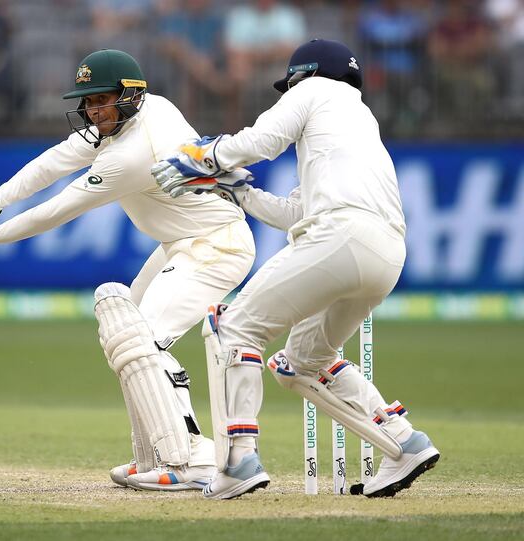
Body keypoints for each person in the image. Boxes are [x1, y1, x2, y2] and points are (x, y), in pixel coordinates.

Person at [0, 49, 256, 491]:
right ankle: (158, 454)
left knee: (145, 342)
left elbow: (57, 210)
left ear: (130, 95)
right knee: (125, 339)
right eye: (87, 102)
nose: (92, 111)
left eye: (102, 100)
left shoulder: (132, 153)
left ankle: (193, 458)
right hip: (184, 243)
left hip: (217, 246)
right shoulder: (137, 114)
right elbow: (57, 159)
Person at [152, 39, 440, 499]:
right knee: (299, 364)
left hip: (341, 236)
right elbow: (294, 212)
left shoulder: (314, 91)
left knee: (231, 329)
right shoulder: (357, 126)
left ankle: (238, 460)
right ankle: (404, 441)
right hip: (386, 254)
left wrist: (206, 156)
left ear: (306, 75)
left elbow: (261, 142)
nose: (286, 94)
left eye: (289, 85)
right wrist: (238, 191)